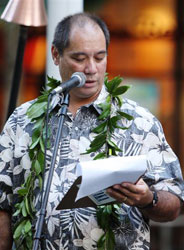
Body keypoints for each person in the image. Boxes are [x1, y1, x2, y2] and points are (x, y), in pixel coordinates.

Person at [0, 12, 184, 250]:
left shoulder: (140, 123)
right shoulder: (22, 121)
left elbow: (174, 205)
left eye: (99, 57)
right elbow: (3, 205)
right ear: (56, 55)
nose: (91, 69)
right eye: (79, 58)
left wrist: (149, 199)